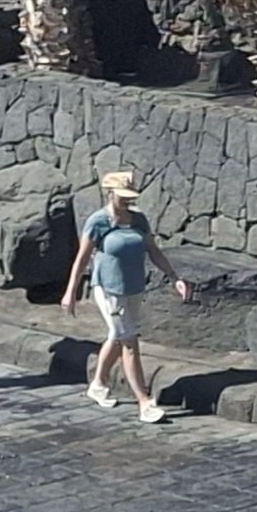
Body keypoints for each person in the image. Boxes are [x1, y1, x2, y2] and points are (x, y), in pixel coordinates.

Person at [61, 170, 190, 423]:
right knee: (129, 341)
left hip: (133, 287)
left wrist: (175, 277)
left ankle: (98, 383)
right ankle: (144, 401)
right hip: (109, 288)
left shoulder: (138, 220)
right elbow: (82, 259)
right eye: (122, 196)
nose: (126, 200)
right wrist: (71, 291)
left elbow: (154, 251)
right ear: (110, 193)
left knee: (117, 335)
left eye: (129, 196)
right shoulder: (98, 221)